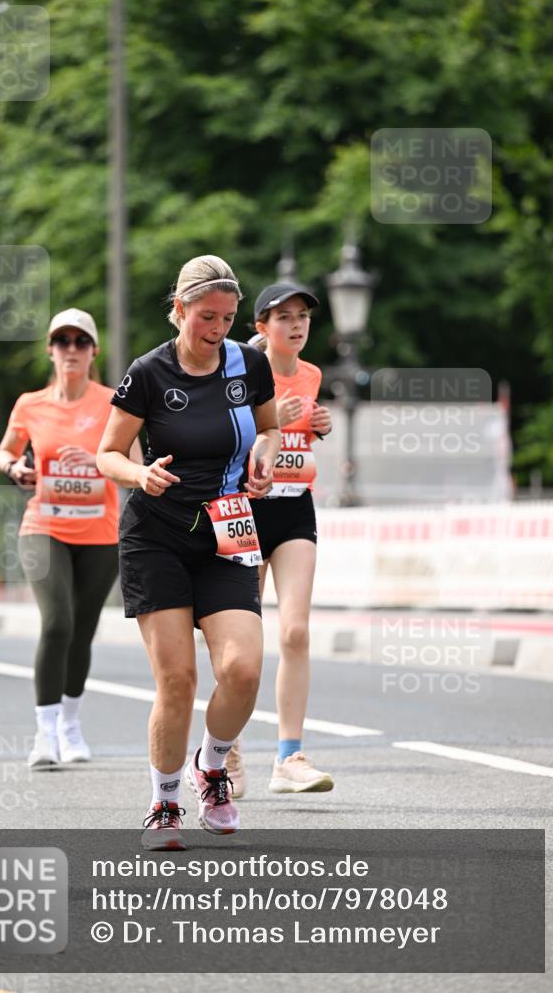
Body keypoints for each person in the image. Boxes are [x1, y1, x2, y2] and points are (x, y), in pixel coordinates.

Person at [97, 255, 280, 850]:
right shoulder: (148, 372)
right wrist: (138, 474)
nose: (217, 328)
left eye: (227, 317)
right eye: (206, 316)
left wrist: (266, 457)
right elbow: (107, 452)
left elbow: (271, 426)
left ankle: (212, 766)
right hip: (158, 535)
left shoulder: (247, 364)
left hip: (228, 528)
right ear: (178, 310)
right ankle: (164, 801)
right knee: (177, 679)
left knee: (244, 670)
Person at [0, 308, 140, 769]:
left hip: (99, 532)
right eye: (63, 342)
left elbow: (134, 462)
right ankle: (44, 733)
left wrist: (98, 460)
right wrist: (15, 468)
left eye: (82, 342)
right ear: (50, 350)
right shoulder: (30, 403)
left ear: (94, 350)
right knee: (57, 622)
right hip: (45, 526)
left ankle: (71, 725)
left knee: (82, 631)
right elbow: (6, 450)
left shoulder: (113, 401)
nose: (72, 350)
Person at [227, 281, 334, 795]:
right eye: (283, 316)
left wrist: (320, 425)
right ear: (261, 327)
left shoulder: (312, 374)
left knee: (295, 631)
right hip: (245, 510)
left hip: (294, 509)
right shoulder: (244, 369)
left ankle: (289, 758)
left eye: (303, 317)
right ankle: (226, 748)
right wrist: (268, 421)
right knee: (241, 645)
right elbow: (223, 432)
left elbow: (302, 437)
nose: (296, 325)